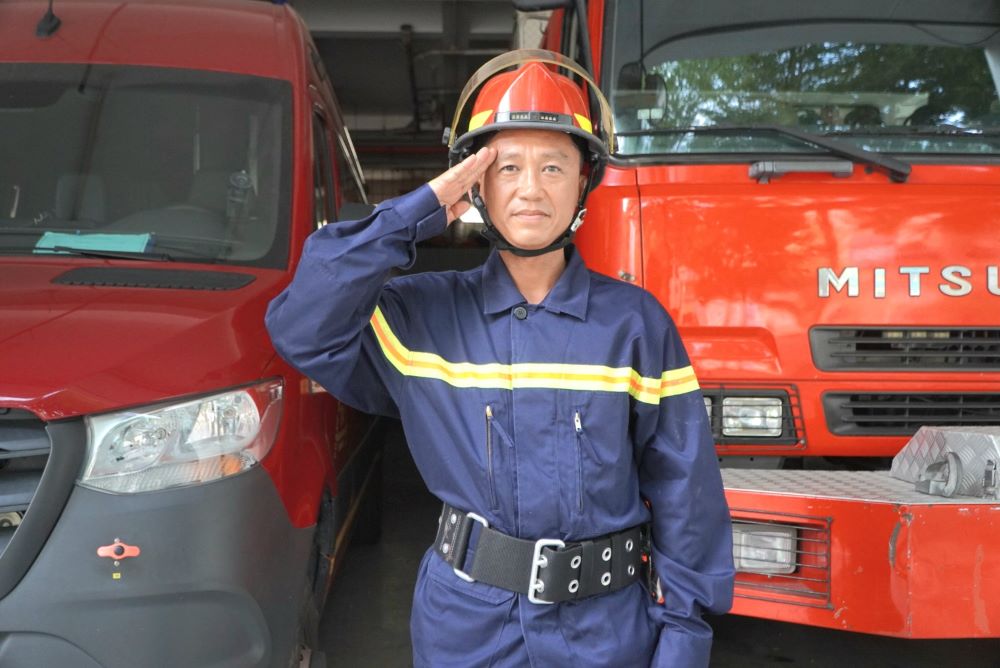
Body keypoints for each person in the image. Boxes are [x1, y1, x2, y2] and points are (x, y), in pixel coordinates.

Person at [265, 50, 734, 668]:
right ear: (476, 183)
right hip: (467, 631)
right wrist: (421, 209)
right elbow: (302, 324)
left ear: (584, 182)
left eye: (554, 167)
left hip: (607, 633)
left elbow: (686, 491)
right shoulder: (419, 318)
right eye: (506, 166)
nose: (531, 189)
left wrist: (683, 639)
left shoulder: (634, 325)